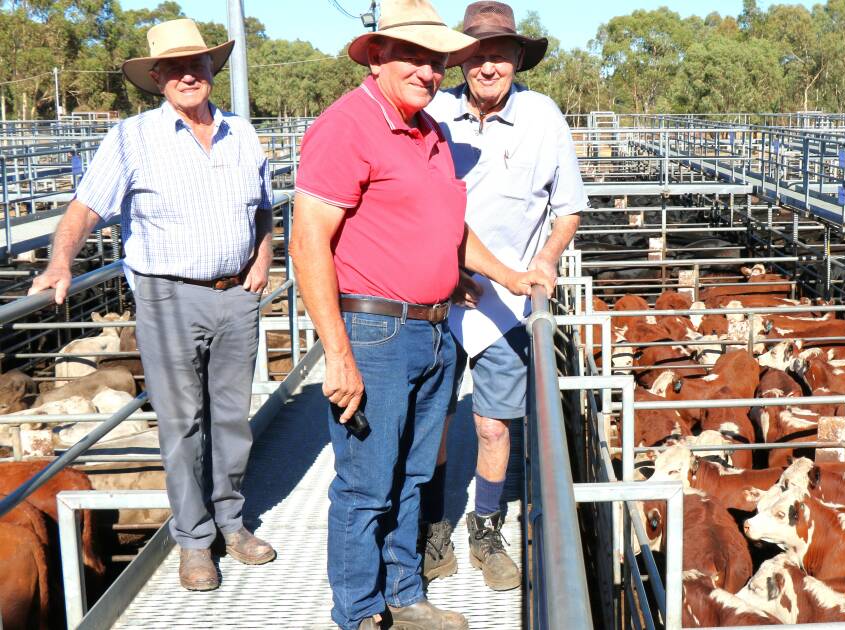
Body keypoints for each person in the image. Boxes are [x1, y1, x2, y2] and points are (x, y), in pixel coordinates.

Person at [289, 1, 552, 628]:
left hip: (434, 329)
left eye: (437, 60)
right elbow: (307, 242)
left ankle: (404, 594)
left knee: (411, 476)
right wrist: (338, 351)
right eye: (412, 55)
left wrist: (509, 275)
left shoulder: (430, 131)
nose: (428, 70)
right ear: (377, 56)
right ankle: (357, 611)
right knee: (365, 485)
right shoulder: (346, 126)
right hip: (375, 330)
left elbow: (450, 228)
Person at [28, 18, 276, 591]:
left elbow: (263, 206)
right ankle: (194, 540)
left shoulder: (245, 134)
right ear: (158, 78)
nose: (190, 75)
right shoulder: (131, 137)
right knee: (182, 421)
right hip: (166, 294)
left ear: (213, 70)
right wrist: (61, 260)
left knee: (232, 419)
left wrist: (262, 259)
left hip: (236, 291)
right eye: (176, 68)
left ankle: (232, 524)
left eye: (199, 64)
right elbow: (86, 206)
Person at [420, 0, 584, 592]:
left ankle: (485, 525)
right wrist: (442, 264)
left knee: (492, 426)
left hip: (510, 302)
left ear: (518, 59)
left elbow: (567, 207)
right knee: (433, 421)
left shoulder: (544, 118)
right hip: (440, 293)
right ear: (461, 61)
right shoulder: (433, 115)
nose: (488, 67)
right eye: (476, 55)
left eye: (500, 55)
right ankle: (434, 525)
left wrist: (545, 259)